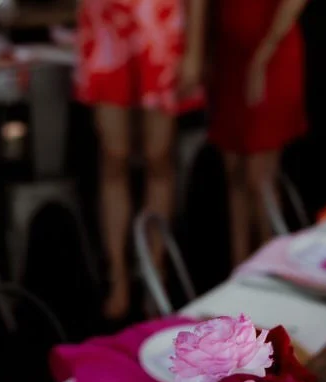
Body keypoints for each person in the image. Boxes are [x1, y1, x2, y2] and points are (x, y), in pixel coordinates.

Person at [76, 0, 205, 320]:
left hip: (159, 23)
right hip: (104, 23)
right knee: (113, 158)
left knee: (159, 158)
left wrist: (194, 50)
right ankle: (118, 275)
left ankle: (155, 271)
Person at [207, 0, 309, 267]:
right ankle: (238, 264)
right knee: (234, 174)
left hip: (271, 50)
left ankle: (269, 265)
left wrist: (264, 55)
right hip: (228, 57)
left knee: (260, 177)